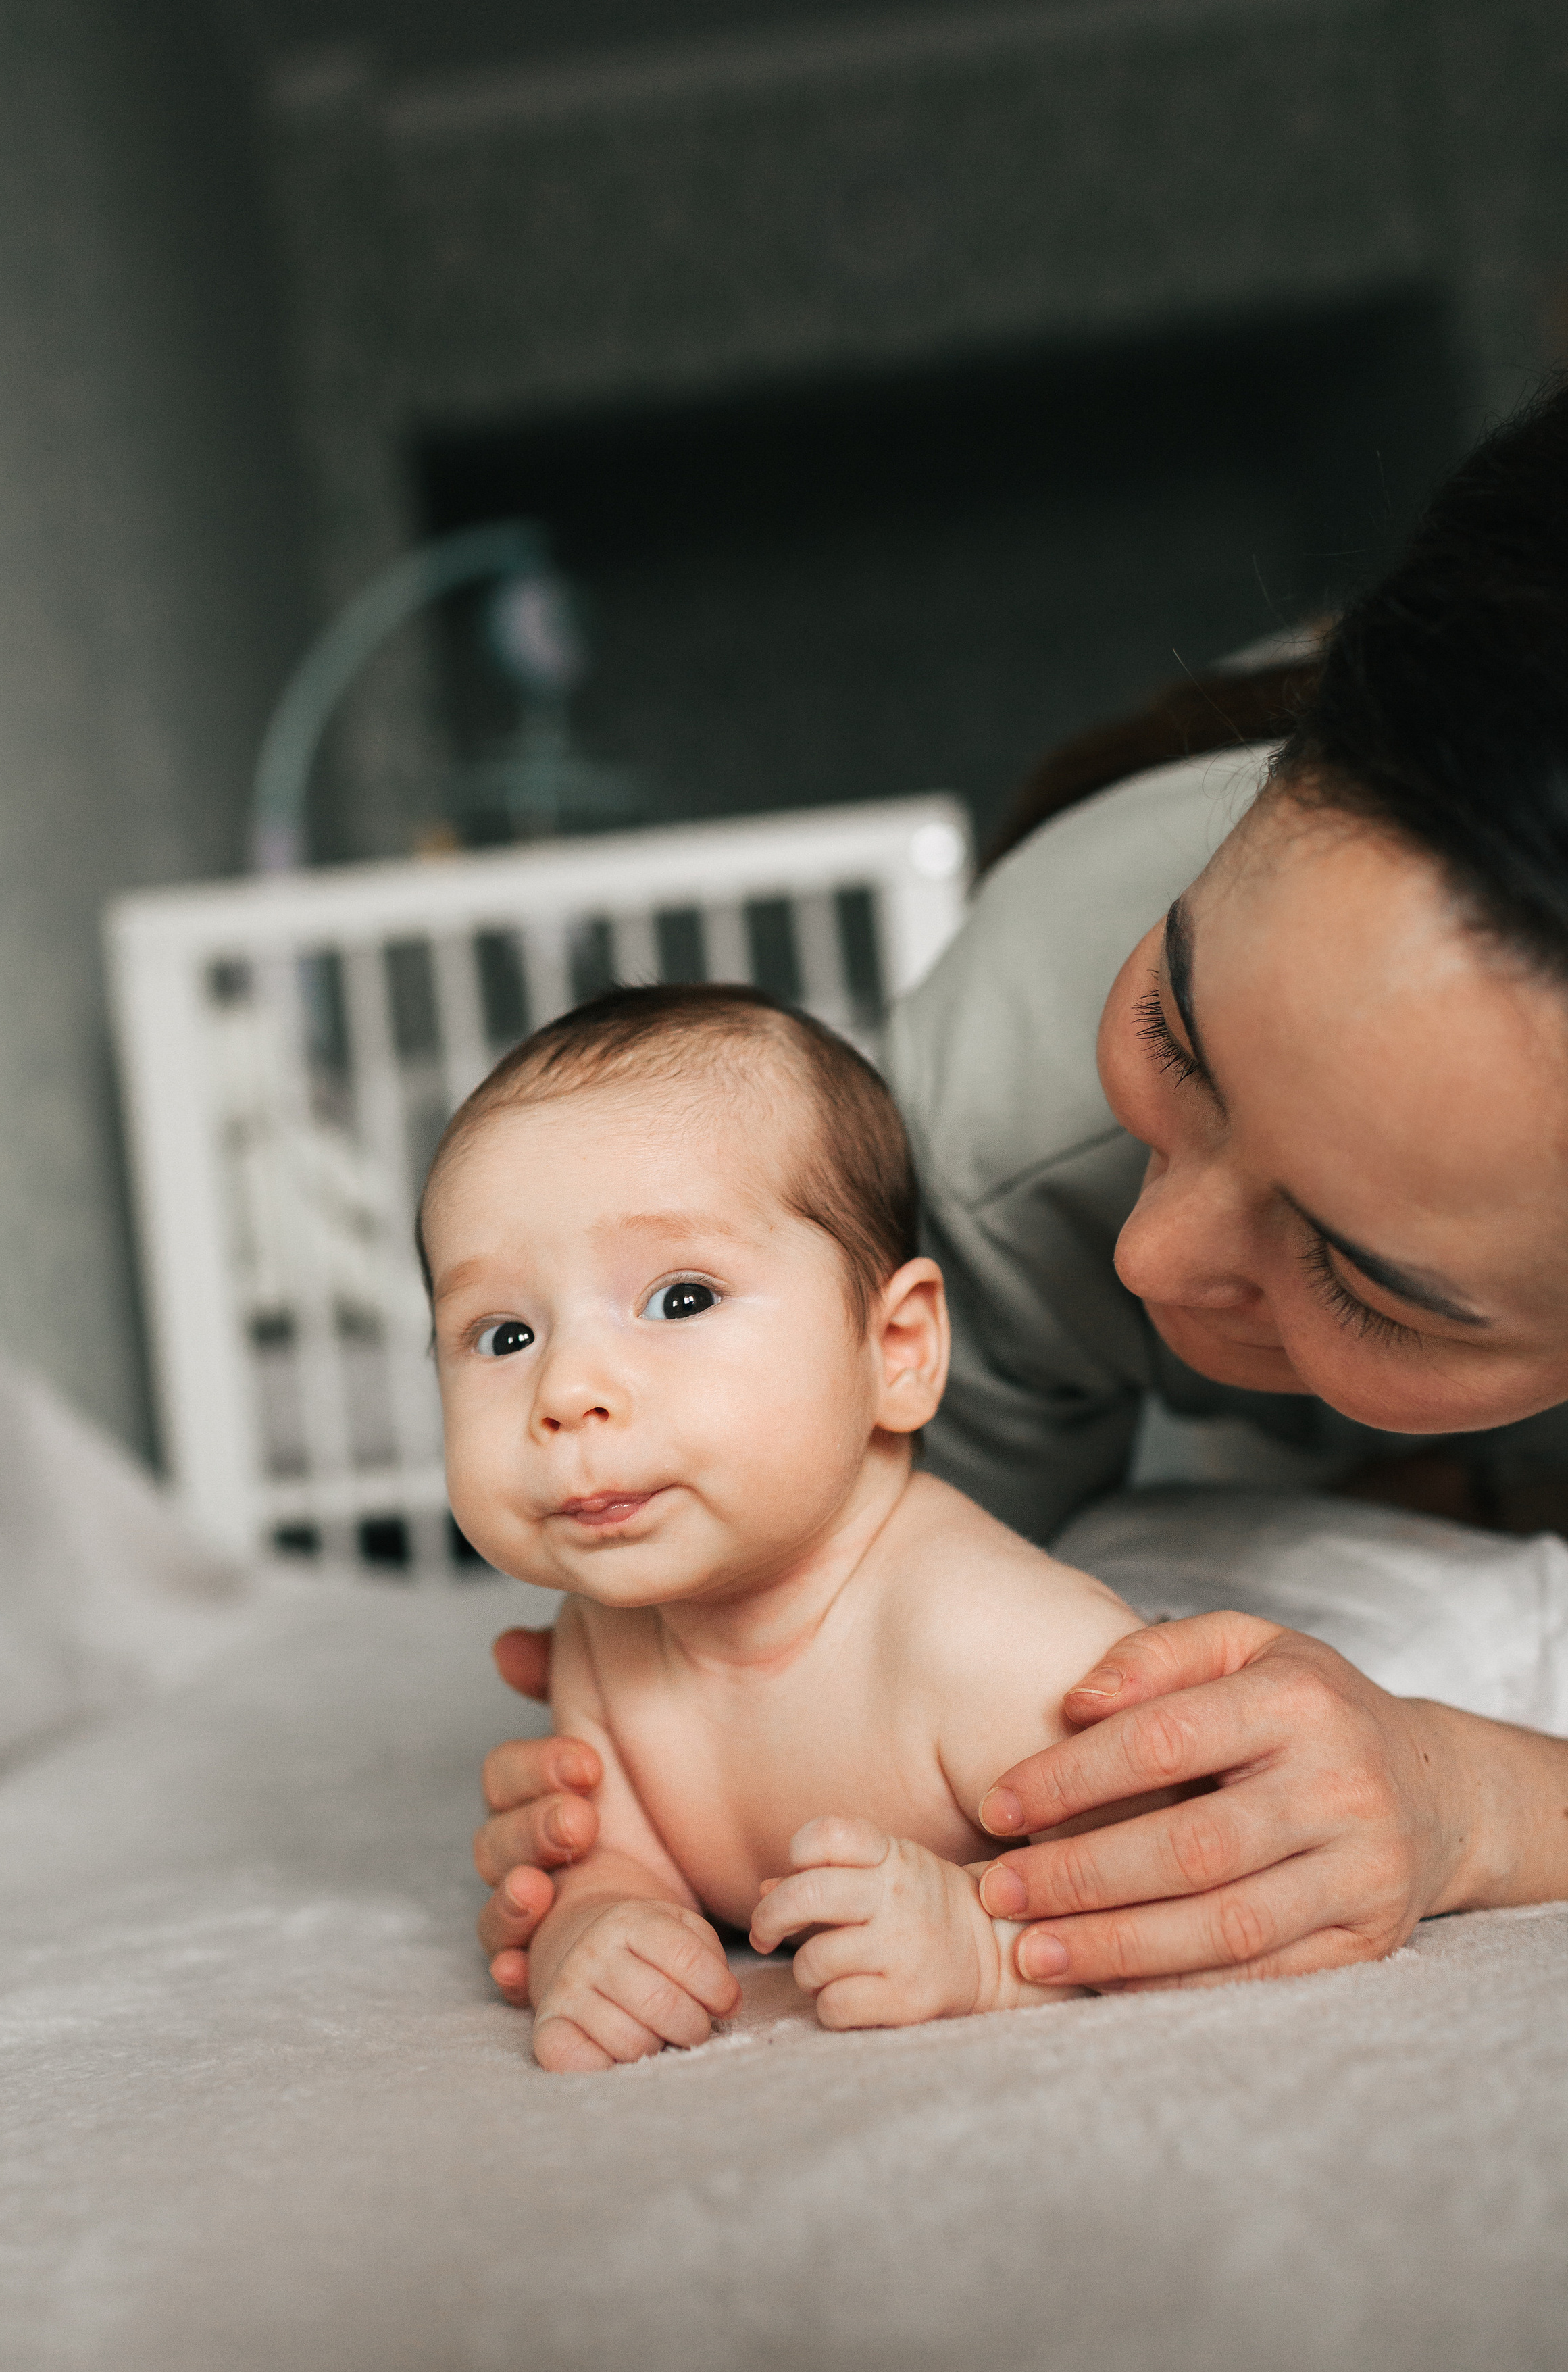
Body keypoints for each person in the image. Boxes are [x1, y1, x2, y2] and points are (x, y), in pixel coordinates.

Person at [473, 378, 1568, 2003]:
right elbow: (879, 1679)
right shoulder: (1000, 1117)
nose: (1149, 1247)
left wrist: (1471, 1801)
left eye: (1359, 1274)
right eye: (1175, 1035)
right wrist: (653, 1794)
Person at [422, 982, 1161, 2067]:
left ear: (896, 1348)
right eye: (503, 1334)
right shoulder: (606, 1626)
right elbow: (612, 1856)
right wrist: (598, 1925)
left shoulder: (983, 1636)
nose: (568, 1389)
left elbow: (1198, 1868)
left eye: (680, 1298)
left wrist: (990, 1944)